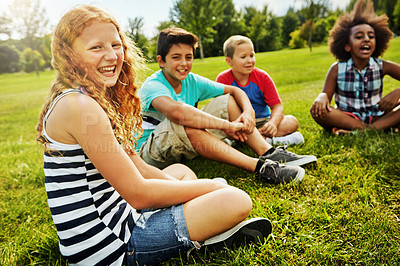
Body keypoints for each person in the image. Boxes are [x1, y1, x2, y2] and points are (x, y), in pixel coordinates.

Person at [36, 6, 273, 265]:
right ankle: (198, 239)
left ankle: (200, 234)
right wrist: (213, 185)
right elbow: (139, 193)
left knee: (181, 172)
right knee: (235, 199)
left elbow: (140, 170)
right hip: (111, 246)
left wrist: (194, 190)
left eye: (116, 45)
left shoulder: (89, 98)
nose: (112, 55)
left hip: (119, 215)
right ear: (68, 55)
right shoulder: (79, 106)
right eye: (96, 48)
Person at [138, 28, 317, 185]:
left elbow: (234, 90)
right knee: (184, 121)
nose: (184, 64)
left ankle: (268, 152)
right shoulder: (153, 85)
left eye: (189, 57)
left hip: (180, 145)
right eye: (176, 57)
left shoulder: (192, 80)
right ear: (161, 61)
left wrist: (248, 112)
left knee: (228, 99)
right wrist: (228, 126)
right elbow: (178, 113)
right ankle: (261, 169)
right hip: (148, 153)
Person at [310, 0, 400, 135]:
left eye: (371, 36)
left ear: (377, 43)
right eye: (359, 36)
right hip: (347, 118)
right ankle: (374, 129)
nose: (366, 39)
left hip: (377, 116)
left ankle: (363, 131)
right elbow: (326, 97)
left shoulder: (382, 66)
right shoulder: (337, 69)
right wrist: (322, 96)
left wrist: (397, 92)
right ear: (347, 46)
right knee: (317, 111)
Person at [217, 35, 304, 146]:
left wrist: (273, 123)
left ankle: (249, 140)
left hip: (263, 122)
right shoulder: (223, 79)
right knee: (218, 130)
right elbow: (222, 108)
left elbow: (277, 106)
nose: (250, 60)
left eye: (252, 55)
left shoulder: (262, 77)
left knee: (291, 121)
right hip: (238, 124)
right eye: (243, 57)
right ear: (229, 61)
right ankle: (269, 141)